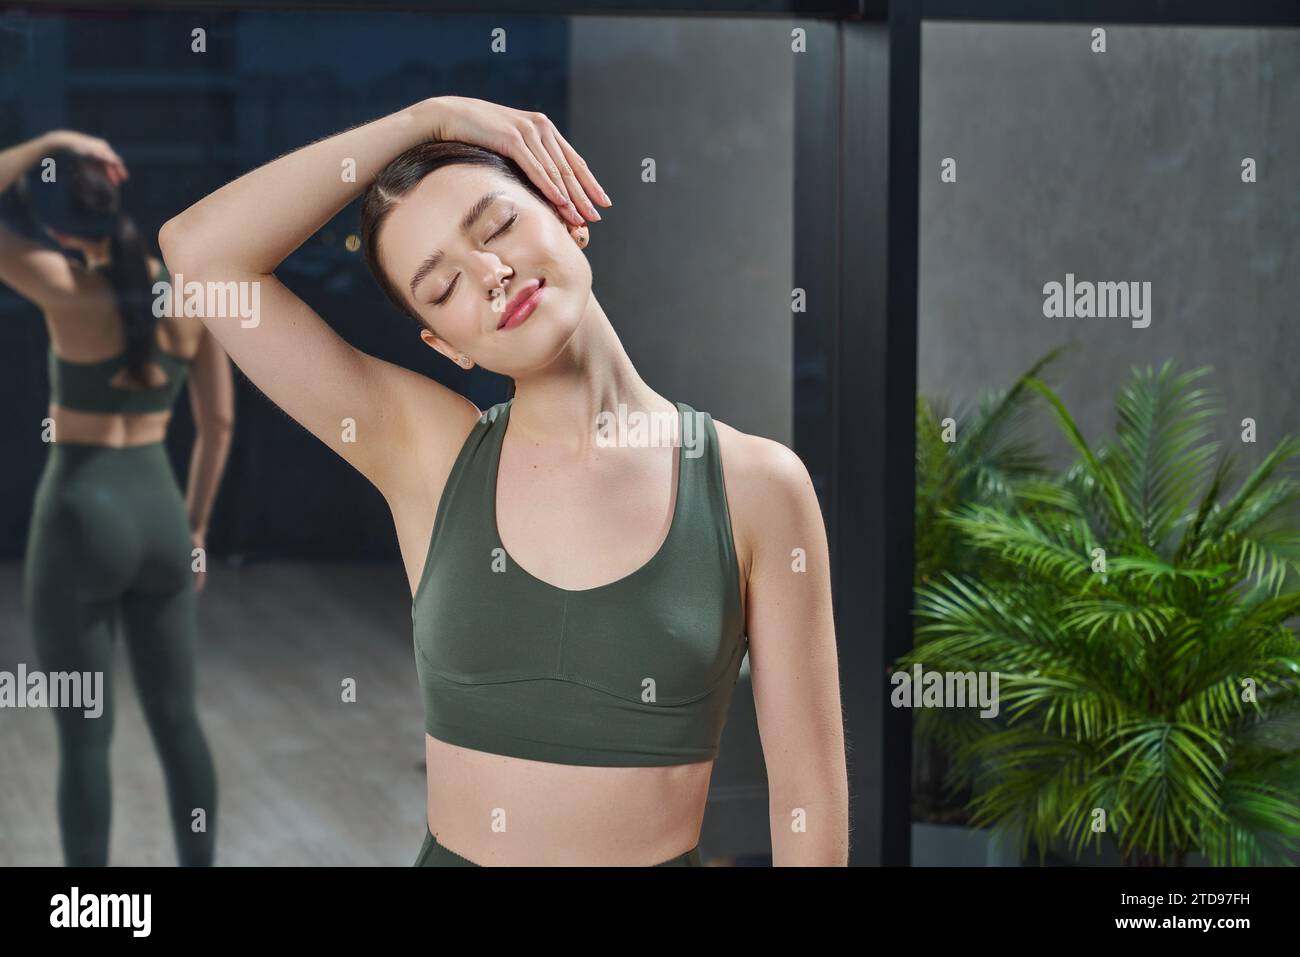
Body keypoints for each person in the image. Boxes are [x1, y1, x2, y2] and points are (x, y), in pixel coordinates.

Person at [160, 95, 847, 866]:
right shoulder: (427, 453)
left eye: (496, 227)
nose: (489, 273)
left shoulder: (756, 486)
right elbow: (199, 254)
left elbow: (807, 804)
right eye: (443, 287)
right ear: (446, 345)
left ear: (567, 214)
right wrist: (426, 119)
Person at [0, 130, 234, 866]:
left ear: (64, 228)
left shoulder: (65, 288)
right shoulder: (193, 293)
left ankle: (91, 909)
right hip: (162, 514)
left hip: (79, 512)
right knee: (178, 720)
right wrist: (195, 527)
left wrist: (52, 141)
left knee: (84, 732)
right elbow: (218, 424)